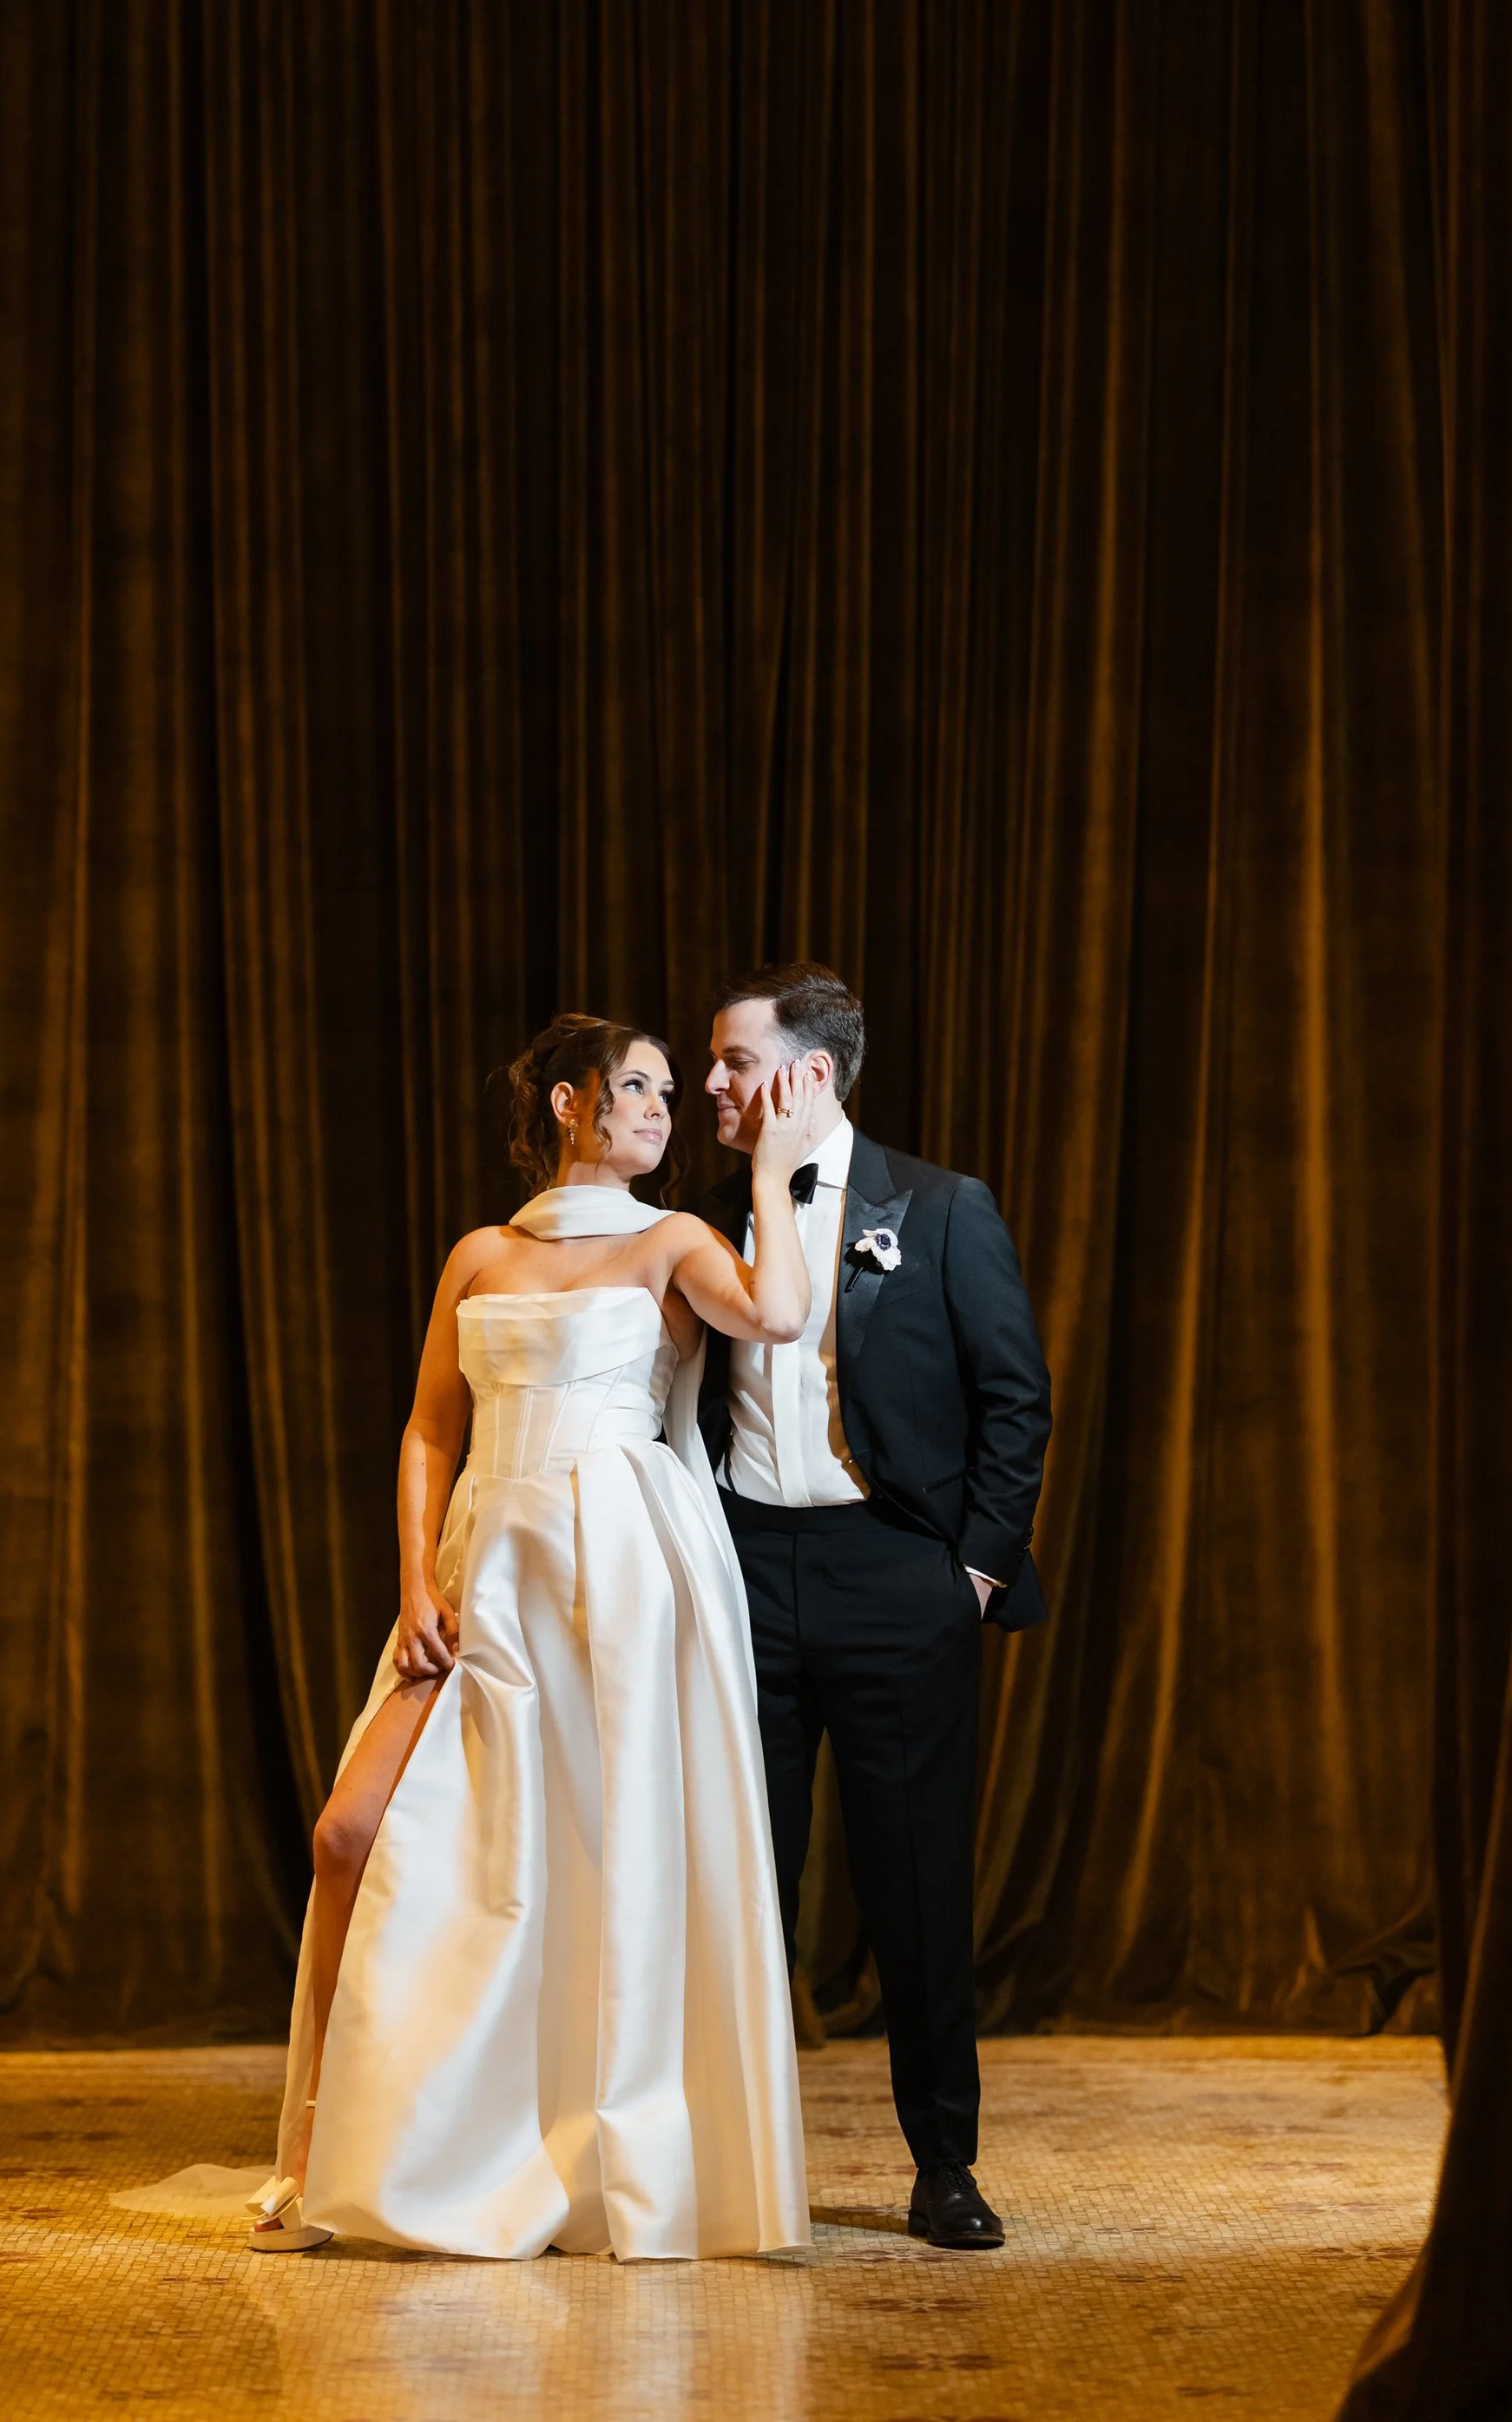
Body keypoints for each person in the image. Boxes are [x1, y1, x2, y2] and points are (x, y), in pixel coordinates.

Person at [247, 1013, 821, 2261]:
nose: (663, 1111)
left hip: (617, 1569)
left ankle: (586, 2158)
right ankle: (317, 2153)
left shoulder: (675, 1240)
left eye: (673, 1093)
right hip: (479, 1571)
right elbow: (428, 1432)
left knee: (596, 1868)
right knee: (353, 1832)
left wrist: (772, 1176)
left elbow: (776, 1318)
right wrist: (414, 1583)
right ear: (570, 1103)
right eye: (637, 1088)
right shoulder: (481, 1254)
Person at [695, 962, 1052, 2253]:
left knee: (915, 1888)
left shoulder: (943, 1208)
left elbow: (1018, 1400)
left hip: (898, 1576)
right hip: (743, 1583)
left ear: (811, 1074)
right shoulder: (701, 1219)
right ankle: (731, 2165)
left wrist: (968, 1574)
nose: (713, 1085)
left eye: (735, 1061)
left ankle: (943, 2164)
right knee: (740, 1884)